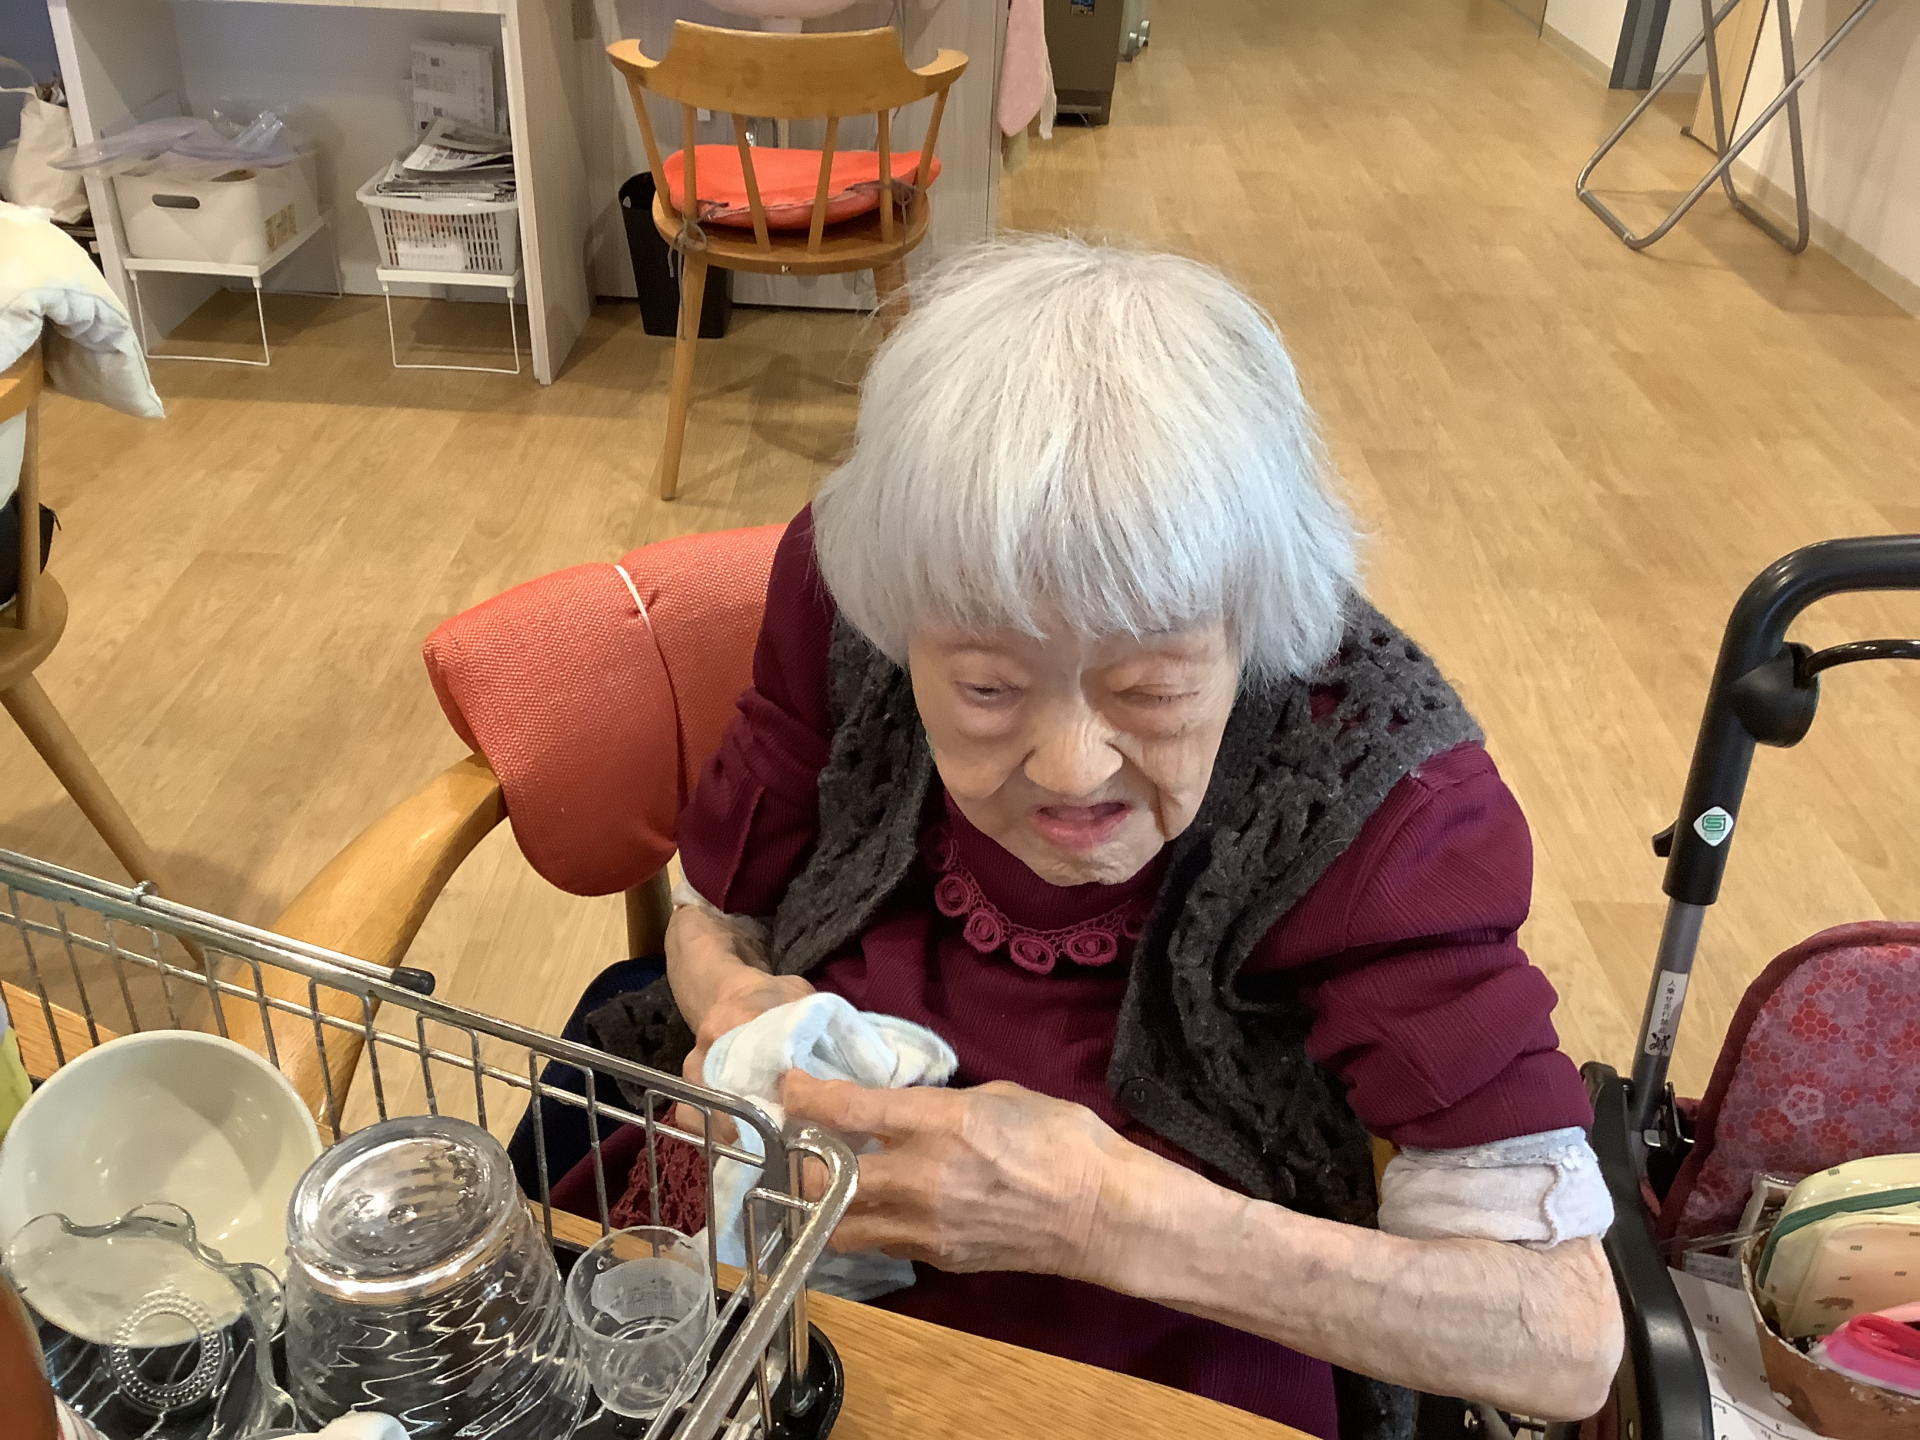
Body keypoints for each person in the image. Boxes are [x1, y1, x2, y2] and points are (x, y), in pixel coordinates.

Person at [579, 237, 1624, 1439]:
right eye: (986, 688)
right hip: (810, 1277)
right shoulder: (858, 594)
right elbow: (718, 917)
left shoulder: (1378, 791)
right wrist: (744, 1022)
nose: (1071, 770)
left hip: (1178, 1333)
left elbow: (1566, 1340)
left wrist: (1096, 1215)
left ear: (1252, 625)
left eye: (1154, 691)